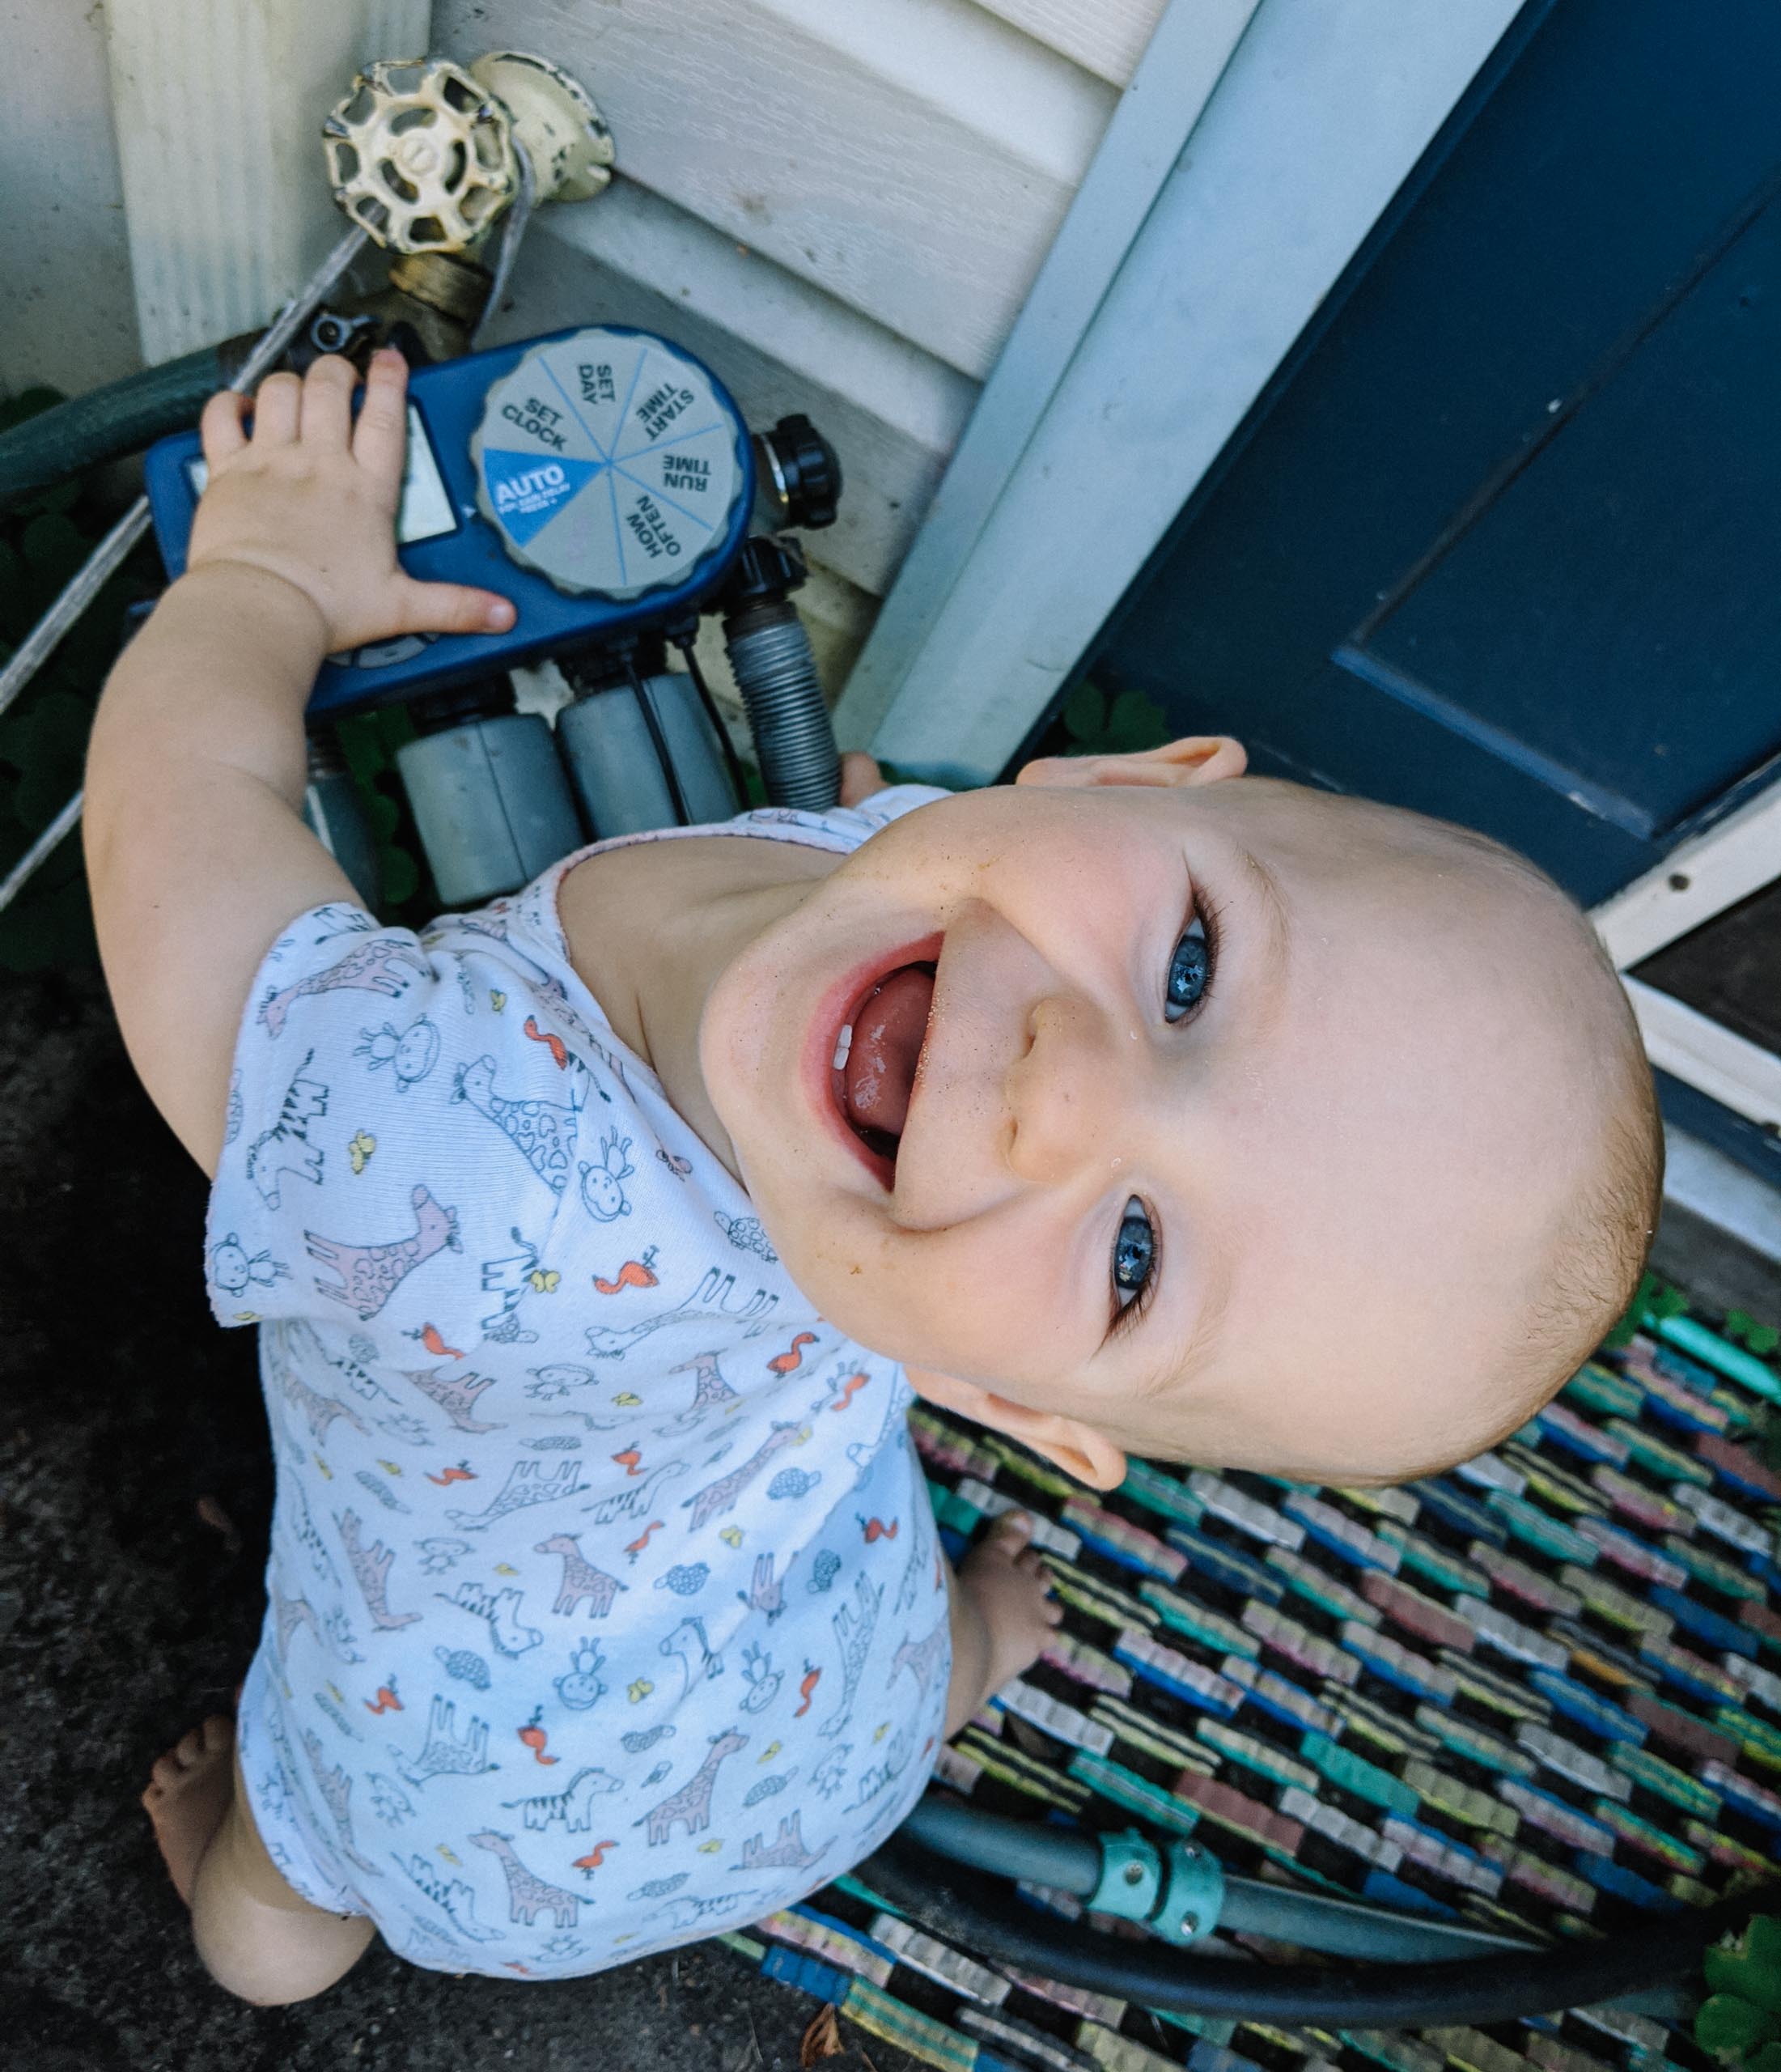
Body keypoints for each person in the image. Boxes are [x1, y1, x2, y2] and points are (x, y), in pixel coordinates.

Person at [84, 350, 1661, 2004]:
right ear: (1119, 783)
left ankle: (265, 1901)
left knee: (274, 1923)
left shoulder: (420, 1156)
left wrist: (260, 580)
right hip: (846, 1713)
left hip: (475, 1820)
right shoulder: (933, 912)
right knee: (889, 1634)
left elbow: (181, 819)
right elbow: (891, 842)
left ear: (991, 1388)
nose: (1062, 1090)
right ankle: (983, 1644)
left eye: (1134, 1257)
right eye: (1190, 967)